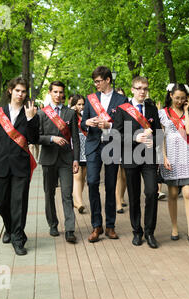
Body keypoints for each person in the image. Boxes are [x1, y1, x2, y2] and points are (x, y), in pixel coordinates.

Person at [0, 77, 39, 256]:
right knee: (1, 200)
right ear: (10, 91)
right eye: (17, 91)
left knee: (19, 203)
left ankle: (18, 239)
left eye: (23, 91)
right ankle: (9, 228)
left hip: (21, 165)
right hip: (0, 164)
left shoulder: (31, 113)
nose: (20, 95)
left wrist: (30, 120)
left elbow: (34, 139)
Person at [81, 66, 127, 243]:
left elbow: (124, 125)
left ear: (108, 80)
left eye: (98, 81)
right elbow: (83, 123)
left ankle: (110, 226)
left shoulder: (122, 99)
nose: (96, 84)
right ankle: (96, 225)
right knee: (92, 182)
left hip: (112, 146)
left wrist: (109, 126)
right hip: (94, 145)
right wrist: (88, 122)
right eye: (95, 81)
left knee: (110, 185)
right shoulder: (90, 99)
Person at [114, 76, 162, 248]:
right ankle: (137, 231)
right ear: (132, 89)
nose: (143, 91)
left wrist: (153, 140)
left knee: (151, 193)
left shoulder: (151, 108)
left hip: (149, 158)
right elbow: (115, 134)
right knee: (134, 197)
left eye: (145, 88)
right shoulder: (122, 109)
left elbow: (158, 133)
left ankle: (150, 232)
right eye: (139, 88)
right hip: (130, 157)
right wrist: (135, 137)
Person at [37, 80, 80, 244]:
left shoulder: (70, 113)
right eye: (55, 92)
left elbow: (75, 138)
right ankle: (53, 224)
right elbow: (36, 137)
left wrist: (76, 158)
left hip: (66, 159)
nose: (58, 95)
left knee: (67, 194)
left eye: (61, 92)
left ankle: (70, 229)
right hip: (48, 159)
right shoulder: (42, 113)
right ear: (50, 93)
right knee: (49, 194)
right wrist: (51, 138)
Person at [159, 83, 189, 246]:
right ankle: (174, 227)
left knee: (188, 193)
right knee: (173, 193)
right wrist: (163, 156)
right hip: (171, 156)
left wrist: (186, 112)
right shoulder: (163, 113)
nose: (179, 101)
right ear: (170, 96)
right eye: (177, 98)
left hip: (187, 154)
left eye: (183, 98)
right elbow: (160, 136)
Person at [70, 94, 87, 214]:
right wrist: (71, 112)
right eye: (78, 104)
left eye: (82, 104)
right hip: (74, 147)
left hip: (86, 148)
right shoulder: (70, 115)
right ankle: (80, 202)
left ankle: (76, 200)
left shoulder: (85, 115)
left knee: (83, 177)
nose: (81, 106)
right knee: (77, 175)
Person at [115, 87, 128, 214]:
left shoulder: (128, 109)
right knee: (118, 173)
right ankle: (118, 202)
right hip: (114, 142)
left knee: (124, 174)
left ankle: (121, 196)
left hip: (126, 142)